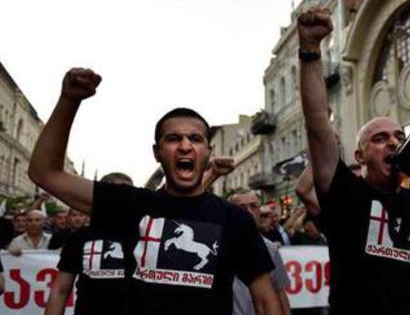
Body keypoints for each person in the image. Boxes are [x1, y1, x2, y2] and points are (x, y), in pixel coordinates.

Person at [28, 68, 280, 315]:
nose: (184, 146)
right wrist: (69, 100)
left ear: (208, 151)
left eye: (195, 138)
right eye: (173, 139)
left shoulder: (234, 219)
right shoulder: (130, 205)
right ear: (157, 152)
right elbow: (45, 173)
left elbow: (266, 303)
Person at [297, 7, 410, 314]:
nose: (393, 142)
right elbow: (317, 125)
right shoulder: (347, 194)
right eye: (379, 139)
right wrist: (311, 50)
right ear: (359, 157)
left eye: (398, 136)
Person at [46, 172, 134, 315]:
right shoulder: (79, 238)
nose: (122, 198)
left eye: (128, 193)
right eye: (116, 192)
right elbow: (61, 290)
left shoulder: (144, 236)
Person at [230, 190, 291, 315]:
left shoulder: (270, 249)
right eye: (241, 207)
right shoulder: (219, 245)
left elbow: (279, 292)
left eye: (253, 206)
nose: (249, 211)